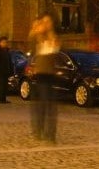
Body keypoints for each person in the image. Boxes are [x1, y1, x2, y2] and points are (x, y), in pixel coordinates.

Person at [29, 14, 60, 143]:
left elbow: (55, 50)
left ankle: (50, 135)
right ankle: (38, 131)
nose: (47, 24)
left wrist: (51, 35)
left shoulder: (53, 37)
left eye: (49, 21)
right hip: (40, 74)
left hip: (50, 74)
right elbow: (32, 46)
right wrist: (36, 30)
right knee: (40, 105)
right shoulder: (37, 37)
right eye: (45, 21)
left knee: (51, 106)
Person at [0, 36, 13, 104]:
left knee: (4, 86)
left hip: (5, 71)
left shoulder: (7, 50)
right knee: (0, 86)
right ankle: (0, 99)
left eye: (6, 42)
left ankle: (3, 99)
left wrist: (10, 69)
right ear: (0, 43)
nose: (5, 43)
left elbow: (9, 61)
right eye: (3, 42)